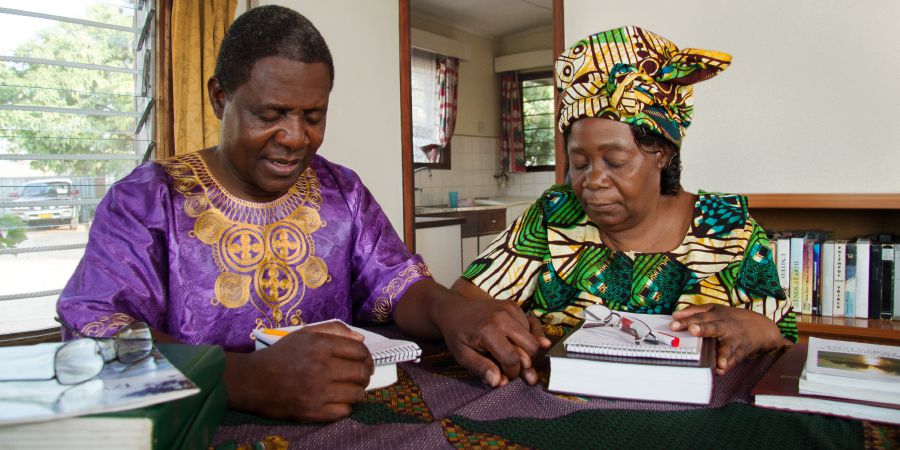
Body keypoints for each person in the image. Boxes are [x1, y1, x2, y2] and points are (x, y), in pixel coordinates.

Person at [56, 5, 548, 423]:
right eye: (269, 115)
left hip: (340, 423)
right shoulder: (146, 201)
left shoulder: (341, 190)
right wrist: (240, 378)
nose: (296, 138)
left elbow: (396, 284)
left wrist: (449, 309)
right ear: (219, 97)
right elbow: (95, 335)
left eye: (313, 116)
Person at [453, 26, 796, 376]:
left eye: (615, 162)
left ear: (662, 153)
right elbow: (462, 306)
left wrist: (761, 329)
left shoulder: (730, 228)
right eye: (580, 162)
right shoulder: (554, 214)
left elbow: (782, 345)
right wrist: (508, 323)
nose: (593, 181)